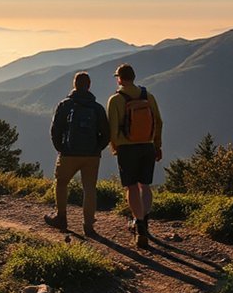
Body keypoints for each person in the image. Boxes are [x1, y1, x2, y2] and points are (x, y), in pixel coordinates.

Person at [44, 72, 109, 236]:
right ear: (89, 86)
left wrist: (61, 148)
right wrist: (97, 148)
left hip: (68, 154)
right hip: (92, 156)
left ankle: (61, 217)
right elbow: (106, 133)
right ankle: (88, 225)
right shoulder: (97, 108)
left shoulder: (65, 105)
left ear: (74, 85)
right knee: (89, 189)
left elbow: (55, 130)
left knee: (61, 183)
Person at [107, 63, 163, 248]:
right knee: (145, 185)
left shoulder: (115, 100)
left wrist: (114, 146)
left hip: (127, 148)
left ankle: (138, 225)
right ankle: (144, 221)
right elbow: (159, 122)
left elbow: (113, 128)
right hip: (147, 146)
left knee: (131, 187)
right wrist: (157, 145)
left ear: (120, 79)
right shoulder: (149, 96)